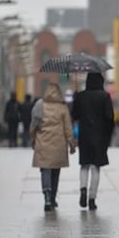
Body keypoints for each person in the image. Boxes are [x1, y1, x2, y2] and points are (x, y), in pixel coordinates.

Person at [30, 83, 77, 212]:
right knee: (55, 171)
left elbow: (34, 125)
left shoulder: (40, 105)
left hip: (43, 143)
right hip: (58, 144)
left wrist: (32, 138)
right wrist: (72, 143)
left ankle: (47, 197)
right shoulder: (62, 108)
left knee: (45, 170)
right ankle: (53, 197)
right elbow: (68, 128)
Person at [71, 73, 114, 211]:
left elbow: (74, 115)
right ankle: (92, 199)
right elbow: (109, 117)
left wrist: (75, 99)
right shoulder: (104, 96)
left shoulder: (81, 96)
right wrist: (108, 135)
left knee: (84, 165)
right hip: (100, 136)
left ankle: (83, 189)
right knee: (96, 167)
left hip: (84, 135)